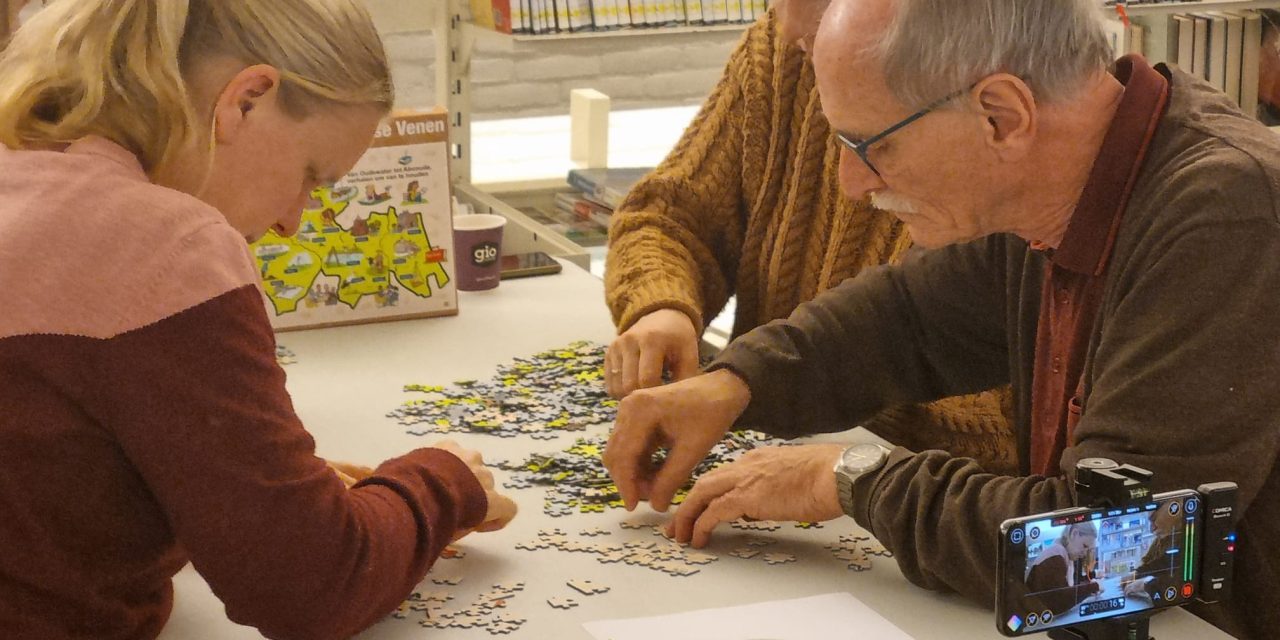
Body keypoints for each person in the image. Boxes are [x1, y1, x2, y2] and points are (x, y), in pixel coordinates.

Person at [602, 0, 1280, 638]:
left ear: (1002, 116)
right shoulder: (1068, 179)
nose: (851, 182)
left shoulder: (1229, 214)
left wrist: (846, 479)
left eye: (870, 145)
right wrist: (733, 384)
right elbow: (906, 321)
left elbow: (1108, 558)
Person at [0, 1, 517, 638]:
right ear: (247, 99)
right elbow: (314, 587)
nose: (294, 220)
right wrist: (442, 478)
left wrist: (244, 485)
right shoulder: (170, 245)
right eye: (312, 176)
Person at [602, 0, 1015, 472]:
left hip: (931, 506)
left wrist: (846, 476)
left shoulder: (995, 136)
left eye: (821, 26)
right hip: (771, 453)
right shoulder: (785, 48)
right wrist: (664, 307)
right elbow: (669, 216)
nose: (850, 182)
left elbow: (919, 330)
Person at [1024, 523, 1101, 615]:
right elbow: (1060, 600)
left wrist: (1088, 590)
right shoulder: (1054, 556)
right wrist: (1093, 587)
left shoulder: (1064, 556)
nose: (1085, 553)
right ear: (1074, 534)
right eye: (1084, 546)